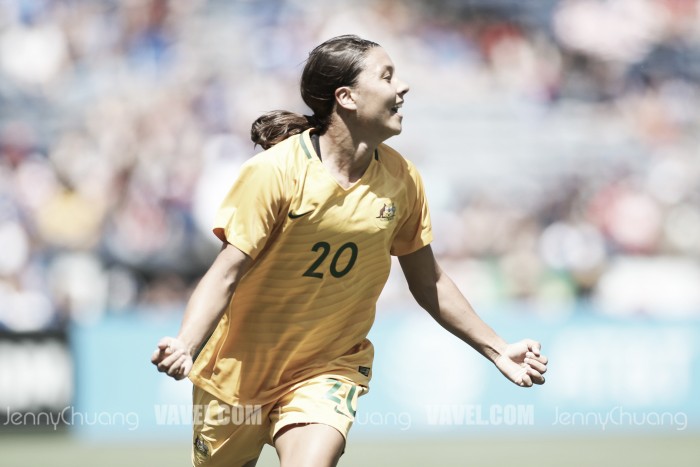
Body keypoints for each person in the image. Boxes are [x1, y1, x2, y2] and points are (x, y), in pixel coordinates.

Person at [151, 34, 548, 467]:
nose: (403, 88)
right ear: (347, 97)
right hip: (236, 375)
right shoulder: (274, 173)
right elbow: (225, 272)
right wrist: (187, 343)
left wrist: (497, 348)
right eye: (387, 76)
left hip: (326, 368)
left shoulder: (402, 179)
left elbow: (428, 278)